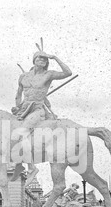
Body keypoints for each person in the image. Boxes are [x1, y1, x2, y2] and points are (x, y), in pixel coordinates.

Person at [11, 41, 72, 186]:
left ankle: (31, 168)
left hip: (37, 109)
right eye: (39, 58)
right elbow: (18, 93)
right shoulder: (24, 76)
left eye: (45, 60)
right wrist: (16, 106)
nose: (42, 61)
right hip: (23, 109)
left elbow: (67, 73)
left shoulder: (48, 74)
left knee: (22, 133)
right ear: (34, 60)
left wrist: (55, 57)